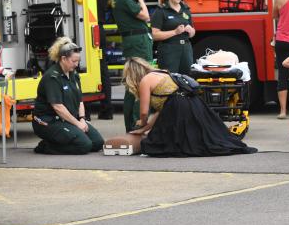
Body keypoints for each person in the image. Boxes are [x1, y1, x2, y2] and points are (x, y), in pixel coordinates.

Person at [110, 57, 256, 157]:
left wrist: (141, 123)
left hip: (179, 107)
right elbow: (163, 110)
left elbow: (143, 112)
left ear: (132, 74)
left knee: (159, 146)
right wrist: (145, 129)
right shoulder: (161, 72)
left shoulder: (145, 81)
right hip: (192, 103)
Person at [32, 38, 104, 155]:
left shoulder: (74, 75)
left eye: (78, 61)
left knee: (97, 142)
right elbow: (58, 107)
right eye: (73, 61)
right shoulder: (52, 77)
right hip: (49, 121)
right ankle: (46, 146)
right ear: (63, 59)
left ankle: (67, 138)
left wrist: (82, 119)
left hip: (69, 119)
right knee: (84, 145)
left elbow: (80, 100)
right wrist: (77, 124)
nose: (76, 64)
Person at [111, 0, 152, 132]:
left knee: (134, 84)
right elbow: (145, 15)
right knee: (139, 83)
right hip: (137, 42)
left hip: (137, 40)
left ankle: (133, 124)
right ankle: (136, 123)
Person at [151, 0, 195, 75]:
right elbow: (154, 35)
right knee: (170, 80)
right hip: (169, 50)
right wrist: (175, 32)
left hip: (186, 49)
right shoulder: (161, 10)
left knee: (187, 79)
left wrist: (191, 31)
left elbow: (193, 32)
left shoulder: (185, 9)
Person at [95, 0, 114, 120]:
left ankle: (84, 112)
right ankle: (107, 110)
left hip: (84, 28)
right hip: (99, 29)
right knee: (102, 67)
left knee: (79, 68)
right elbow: (112, 6)